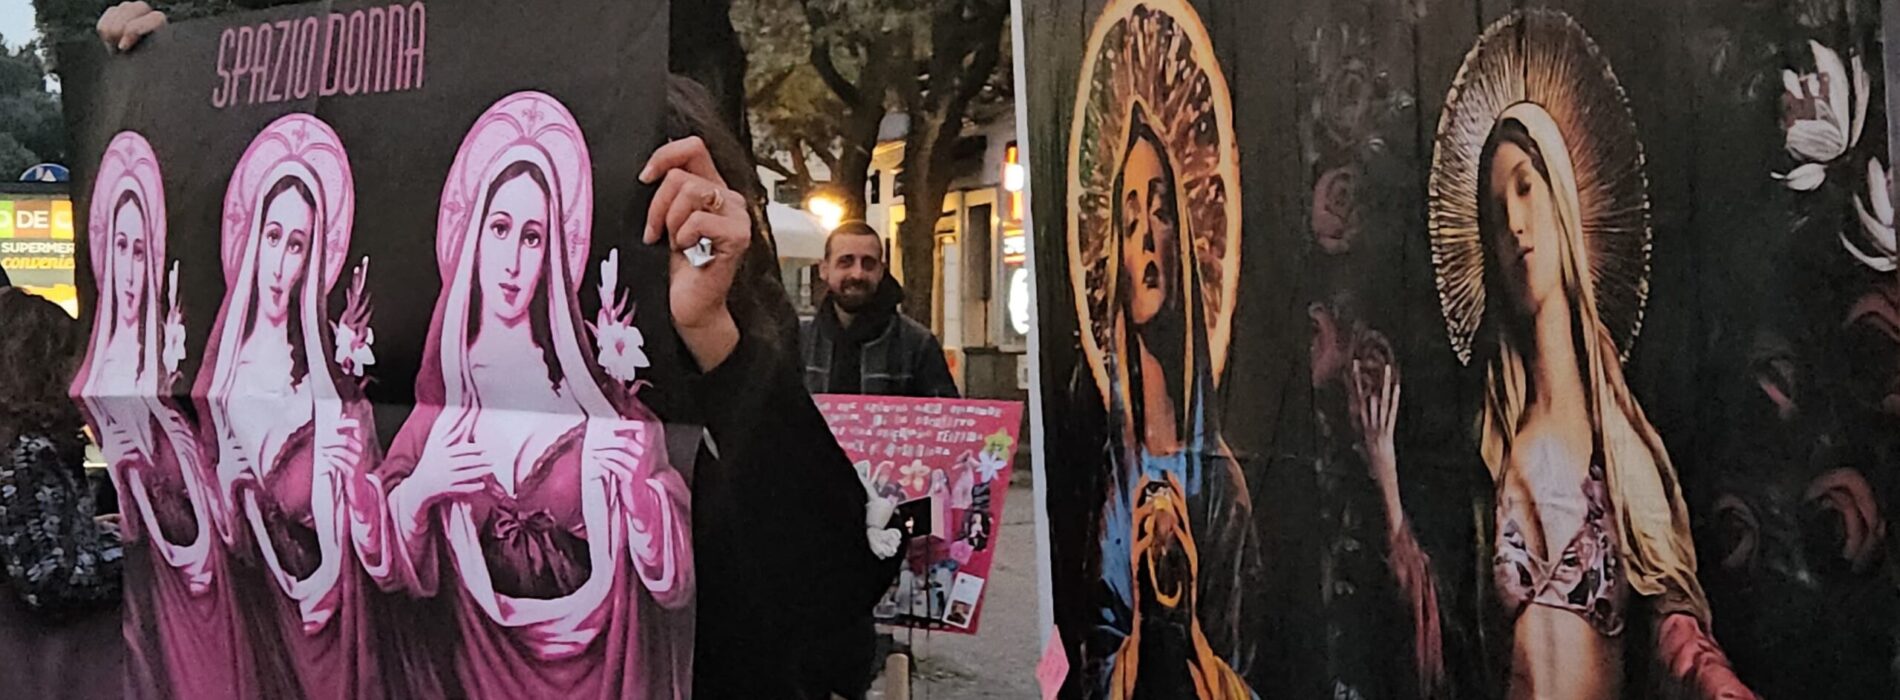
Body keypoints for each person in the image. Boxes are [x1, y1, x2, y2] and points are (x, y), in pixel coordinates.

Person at [99, 7, 899, 699]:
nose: (520, 260)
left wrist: (710, 340)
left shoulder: (721, 374)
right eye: (500, 229)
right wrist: (173, 87)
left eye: (544, 231)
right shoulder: (422, 407)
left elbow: (832, 613)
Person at [1373, 106, 1754, 699]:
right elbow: (1445, 643)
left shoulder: (1622, 447)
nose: (1516, 225)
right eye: (1497, 214)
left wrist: (1716, 683)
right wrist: (1387, 489)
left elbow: (1672, 624)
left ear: (1563, 203)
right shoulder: (1488, 453)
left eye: (1527, 188)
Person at [194, 114, 386, 699]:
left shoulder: (328, 378)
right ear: (252, 239)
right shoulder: (217, 373)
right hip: (245, 627)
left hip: (329, 631)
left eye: (297, 244)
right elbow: (205, 520)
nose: (279, 264)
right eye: (272, 237)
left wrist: (347, 478)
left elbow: (367, 537)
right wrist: (227, 481)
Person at [1093, 103, 1257, 699]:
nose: (1146, 236)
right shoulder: (1107, 483)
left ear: (1182, 241)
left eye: (1161, 212)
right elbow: (1095, 656)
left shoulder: (1221, 489)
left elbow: (1249, 673)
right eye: (1130, 217)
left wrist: (1187, 635)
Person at [0, 288, 127, 700]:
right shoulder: (26, 453)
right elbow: (52, 577)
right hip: (44, 674)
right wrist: (140, 554)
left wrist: (92, 532)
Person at [800, 220, 960, 398]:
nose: (857, 274)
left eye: (868, 264)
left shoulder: (917, 344)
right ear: (824, 270)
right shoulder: (797, 341)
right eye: (846, 262)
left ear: (881, 271)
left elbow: (944, 417)